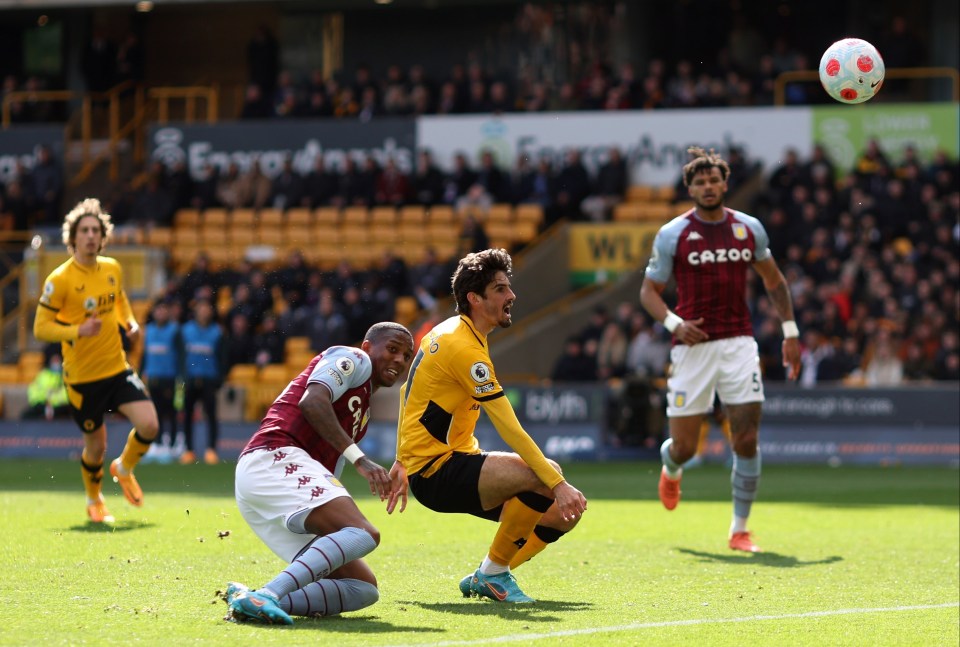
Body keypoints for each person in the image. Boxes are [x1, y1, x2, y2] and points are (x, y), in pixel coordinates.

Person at [389, 248, 588, 604]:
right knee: (546, 476)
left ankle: (492, 571)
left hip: (443, 462)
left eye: (508, 287)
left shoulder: (450, 332)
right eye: (500, 289)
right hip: (438, 471)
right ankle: (493, 574)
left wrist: (403, 458)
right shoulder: (463, 348)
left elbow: (409, 390)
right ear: (474, 299)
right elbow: (510, 428)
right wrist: (557, 483)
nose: (511, 295)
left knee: (561, 516)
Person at [639, 147, 801, 553]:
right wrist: (675, 323)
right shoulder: (672, 234)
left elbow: (775, 282)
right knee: (685, 447)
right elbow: (649, 291)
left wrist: (791, 332)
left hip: (739, 344)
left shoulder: (748, 229)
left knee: (745, 438)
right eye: (700, 182)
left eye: (714, 180)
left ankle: (739, 530)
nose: (708, 187)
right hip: (691, 349)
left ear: (725, 184)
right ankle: (671, 468)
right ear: (690, 188)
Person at [223, 322, 414, 625]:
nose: (399, 360)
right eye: (392, 349)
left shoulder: (362, 413)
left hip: (271, 479)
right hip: (274, 456)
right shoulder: (354, 359)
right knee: (363, 533)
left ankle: (252, 599)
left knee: (362, 589)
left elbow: (326, 471)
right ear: (367, 347)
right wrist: (361, 461)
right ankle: (269, 594)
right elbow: (311, 401)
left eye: (406, 356)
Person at [33, 198, 160, 523]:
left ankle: (124, 467)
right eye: (84, 230)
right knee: (96, 447)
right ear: (72, 237)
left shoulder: (112, 268)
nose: (90, 235)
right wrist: (78, 329)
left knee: (149, 424)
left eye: (95, 230)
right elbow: (40, 328)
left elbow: (120, 301)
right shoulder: (59, 279)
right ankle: (94, 499)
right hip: (82, 379)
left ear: (102, 237)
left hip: (116, 368)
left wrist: (129, 322)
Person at [179, 298, 224, 465]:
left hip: (209, 379)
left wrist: (220, 379)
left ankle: (211, 450)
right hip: (190, 379)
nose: (204, 311)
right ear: (196, 310)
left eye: (207, 308)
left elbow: (222, 357)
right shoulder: (185, 331)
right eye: (201, 308)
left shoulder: (217, 332)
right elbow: (180, 356)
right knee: (187, 416)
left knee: (211, 416)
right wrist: (182, 376)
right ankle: (188, 450)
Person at [141, 299, 182, 463]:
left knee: (170, 413)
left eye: (164, 310)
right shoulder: (149, 331)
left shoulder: (175, 330)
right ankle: (157, 445)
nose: (161, 313)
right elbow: (145, 354)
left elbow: (181, 355)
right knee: (154, 413)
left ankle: (172, 446)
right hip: (153, 377)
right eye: (158, 310)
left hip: (169, 378)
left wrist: (181, 376)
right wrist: (140, 373)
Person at [21, 345, 70, 419]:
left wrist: (52, 408)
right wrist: (45, 407)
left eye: (57, 360)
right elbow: (33, 393)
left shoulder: (67, 375)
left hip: (61, 409)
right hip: (42, 408)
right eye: (54, 360)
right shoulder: (42, 375)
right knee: (25, 415)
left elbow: (68, 395)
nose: (56, 363)